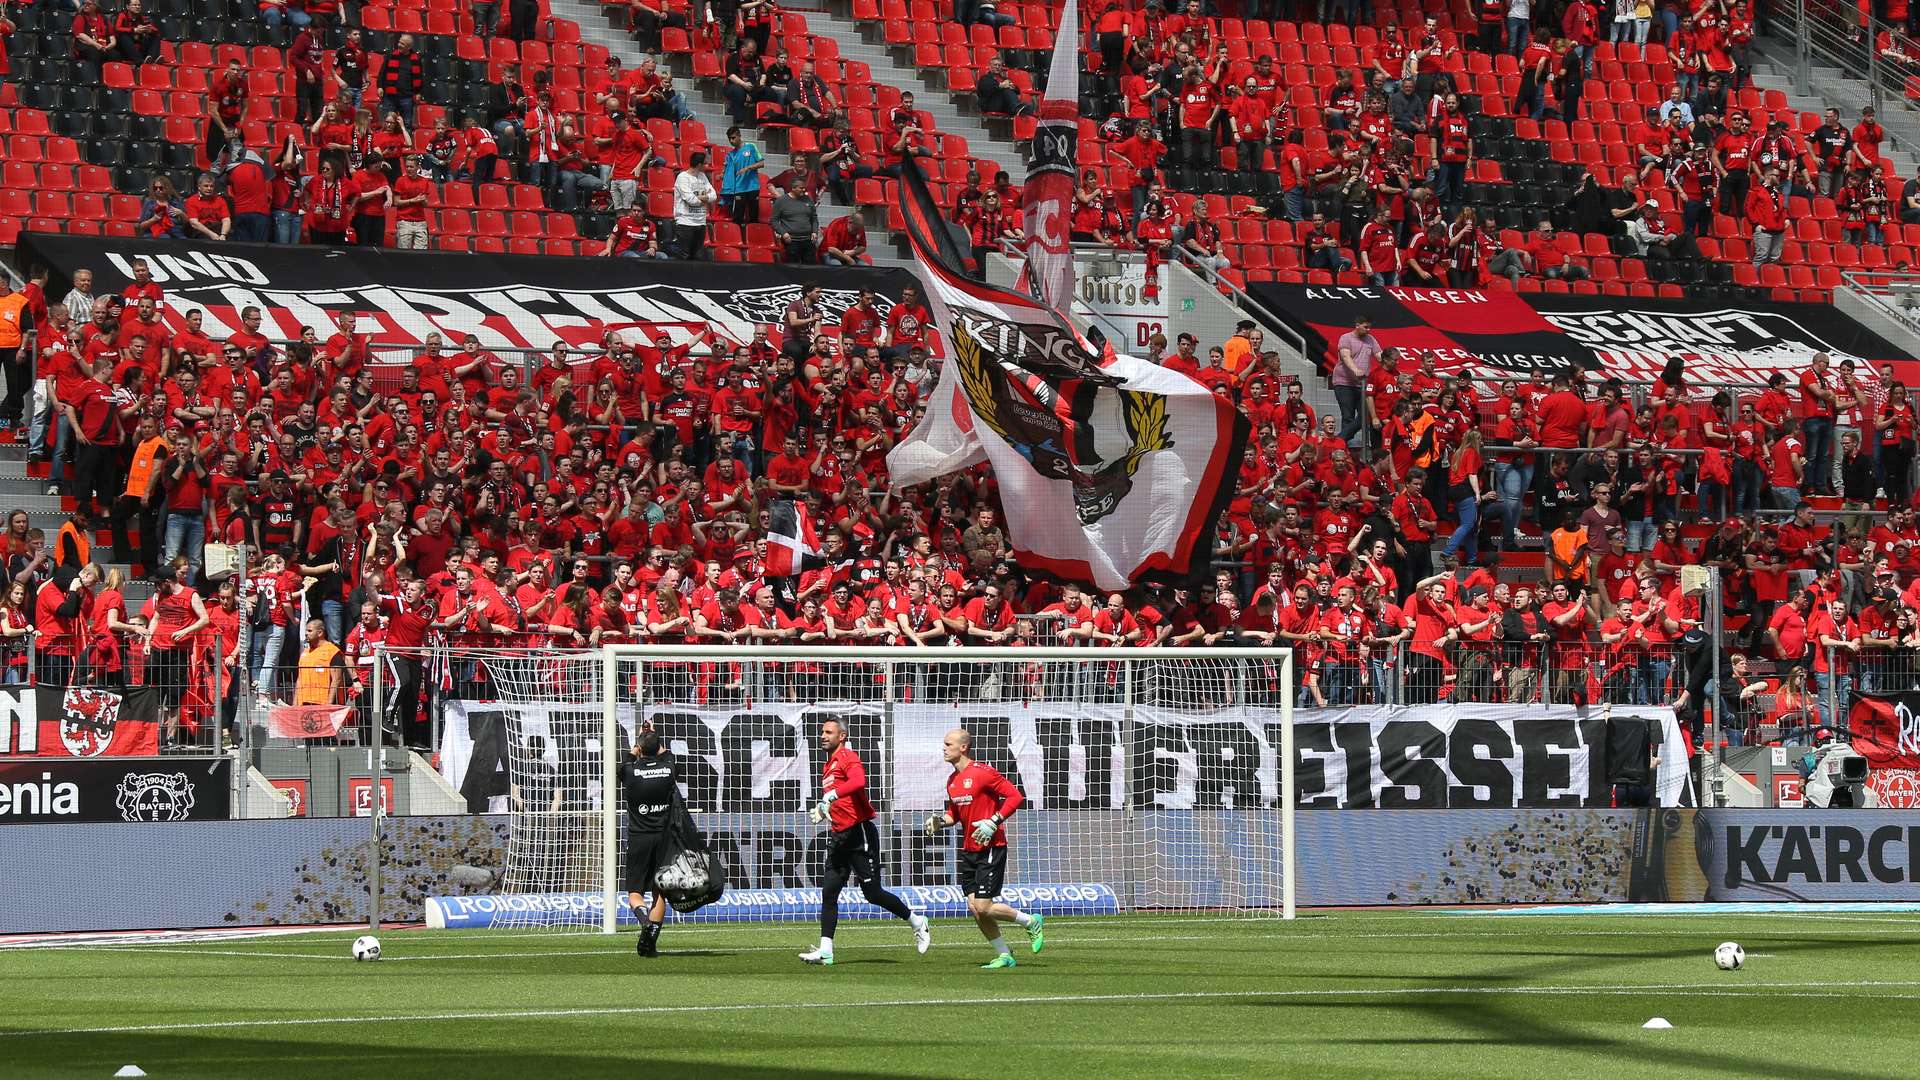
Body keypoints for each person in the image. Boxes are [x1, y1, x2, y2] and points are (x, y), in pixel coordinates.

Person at [798, 718, 932, 966]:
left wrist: (832, 795)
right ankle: (826, 950)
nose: (823, 736)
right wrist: (825, 808)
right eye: (822, 732)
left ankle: (917, 921)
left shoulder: (848, 756)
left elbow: (859, 782)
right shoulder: (827, 766)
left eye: (829, 732)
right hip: (839, 837)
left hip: (859, 834)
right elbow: (839, 799)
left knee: (872, 893)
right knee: (829, 892)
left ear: (842, 736)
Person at [921, 728, 1042, 969]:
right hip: (969, 848)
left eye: (948, 744)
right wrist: (940, 821)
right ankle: (1004, 954)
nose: (943, 748)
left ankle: (1030, 921)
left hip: (990, 845)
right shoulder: (952, 780)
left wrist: (994, 820)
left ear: (963, 747)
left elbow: (1015, 797)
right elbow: (955, 813)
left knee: (984, 906)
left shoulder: (983, 772)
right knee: (975, 908)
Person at [622, 728, 678, 957]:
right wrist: (654, 739)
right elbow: (667, 755)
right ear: (659, 749)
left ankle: (645, 922)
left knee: (635, 892)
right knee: (659, 893)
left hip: (639, 837)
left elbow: (626, 761)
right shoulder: (670, 769)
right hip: (664, 839)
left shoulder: (630, 772)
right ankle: (650, 943)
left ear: (638, 749)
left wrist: (634, 751)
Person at [672, 152, 718, 259]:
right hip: (685, 223)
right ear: (699, 165)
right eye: (705, 164)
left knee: (697, 258)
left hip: (700, 222)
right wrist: (706, 198)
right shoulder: (682, 177)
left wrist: (701, 198)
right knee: (684, 256)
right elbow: (690, 200)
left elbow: (714, 195)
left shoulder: (702, 176)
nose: (707, 166)